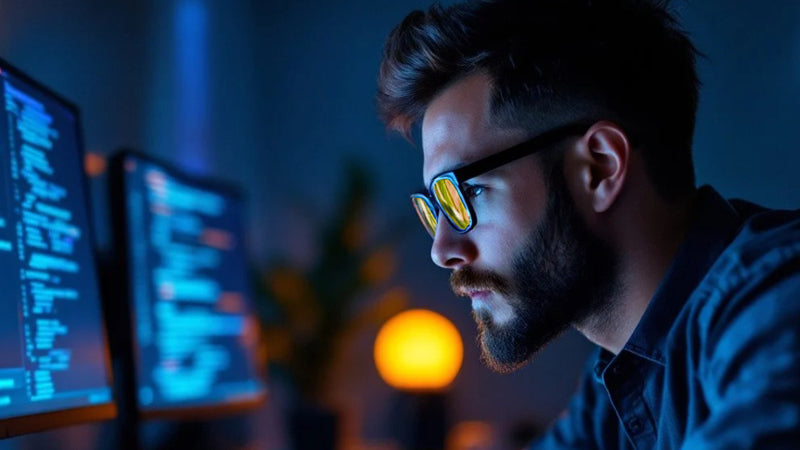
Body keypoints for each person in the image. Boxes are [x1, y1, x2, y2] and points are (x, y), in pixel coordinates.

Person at [375, 0, 800, 447]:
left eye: (468, 193)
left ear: (598, 167)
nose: (442, 249)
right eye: (435, 207)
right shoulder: (619, 384)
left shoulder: (778, 309)